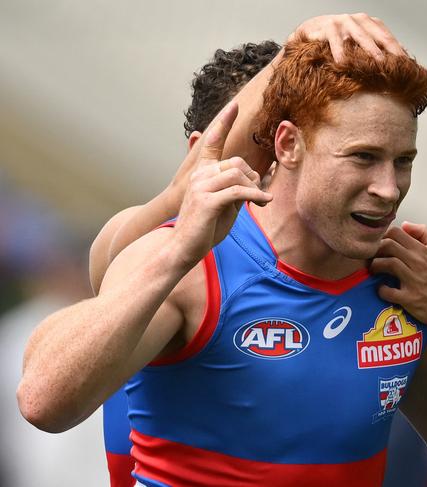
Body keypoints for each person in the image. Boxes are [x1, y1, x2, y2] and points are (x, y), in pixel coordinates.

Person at [18, 13, 427, 487]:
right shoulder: (180, 255)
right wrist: (298, 46)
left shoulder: (397, 277)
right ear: (286, 146)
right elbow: (44, 401)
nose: (389, 187)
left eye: (403, 161)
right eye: (364, 159)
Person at [98, 39, 281, 487]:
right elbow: (112, 257)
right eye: (261, 146)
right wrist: (301, 44)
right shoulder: (153, 239)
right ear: (198, 151)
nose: (279, 167)